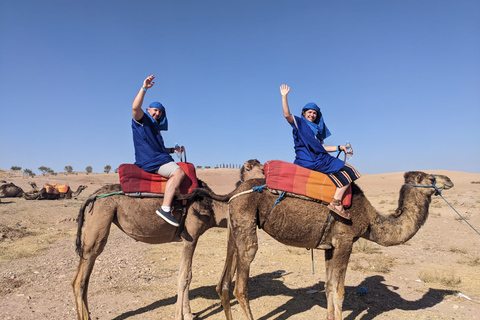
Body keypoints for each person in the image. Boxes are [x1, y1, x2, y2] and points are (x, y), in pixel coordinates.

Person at [280, 84, 360, 219]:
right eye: (309, 112)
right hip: (312, 160)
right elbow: (287, 114)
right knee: (351, 171)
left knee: (343, 170)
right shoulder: (300, 123)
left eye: (314, 113)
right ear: (304, 113)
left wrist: (339, 147)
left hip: (318, 158)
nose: (311, 114)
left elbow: (321, 147)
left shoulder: (316, 130)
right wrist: (284, 96)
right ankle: (336, 202)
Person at [131, 74, 185, 227]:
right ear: (148, 110)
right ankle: (165, 209)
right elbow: (135, 108)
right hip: (151, 161)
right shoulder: (142, 120)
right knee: (178, 173)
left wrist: (173, 151)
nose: (157, 113)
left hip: (158, 158)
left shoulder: (155, 128)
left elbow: (158, 149)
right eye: (155, 110)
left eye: (160, 112)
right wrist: (144, 88)